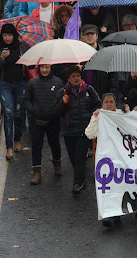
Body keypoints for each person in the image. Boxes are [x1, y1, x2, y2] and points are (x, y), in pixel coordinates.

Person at [55, 65, 102, 194]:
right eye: (73, 76)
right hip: (69, 131)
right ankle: (81, 180)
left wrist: (93, 113)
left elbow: (98, 103)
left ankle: (78, 183)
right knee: (73, 159)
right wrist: (62, 103)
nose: (76, 78)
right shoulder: (62, 92)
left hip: (84, 130)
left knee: (80, 156)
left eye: (78, 76)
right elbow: (57, 112)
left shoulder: (89, 89)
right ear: (68, 78)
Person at [83, 93, 123, 227]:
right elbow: (89, 134)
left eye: (111, 101)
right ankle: (110, 215)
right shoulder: (99, 116)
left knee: (119, 186)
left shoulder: (121, 115)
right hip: (105, 160)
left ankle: (118, 212)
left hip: (120, 159)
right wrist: (95, 118)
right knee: (108, 188)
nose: (109, 104)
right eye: (106, 102)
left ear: (115, 104)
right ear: (102, 104)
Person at [0, 23, 29, 161]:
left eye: (10, 35)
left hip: (21, 84)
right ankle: (9, 146)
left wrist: (23, 58)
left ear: (14, 35)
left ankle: (17, 139)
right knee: (8, 114)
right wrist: (1, 58)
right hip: (5, 85)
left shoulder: (22, 47)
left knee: (19, 114)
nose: (7, 38)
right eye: (5, 35)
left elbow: (31, 63)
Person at [24, 63, 64, 185]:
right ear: (39, 68)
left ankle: (57, 164)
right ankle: (37, 172)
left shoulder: (58, 82)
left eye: (47, 67)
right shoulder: (32, 83)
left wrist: (56, 111)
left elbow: (62, 100)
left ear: (51, 68)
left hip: (53, 120)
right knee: (36, 145)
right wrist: (33, 111)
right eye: (42, 67)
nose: (45, 70)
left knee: (55, 143)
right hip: (36, 120)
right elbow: (27, 100)